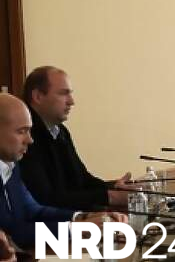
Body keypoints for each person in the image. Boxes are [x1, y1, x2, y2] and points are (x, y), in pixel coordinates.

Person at [0, 93, 123, 248]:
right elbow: (14, 233)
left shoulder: (10, 166)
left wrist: (83, 217)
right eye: (21, 131)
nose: (30, 140)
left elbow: (34, 211)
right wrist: (76, 228)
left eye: (29, 131)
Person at [18, 66, 134, 210]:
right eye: (63, 93)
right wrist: (111, 197)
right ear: (38, 96)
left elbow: (82, 180)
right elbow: (46, 198)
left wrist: (114, 187)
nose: (71, 101)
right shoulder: (24, 137)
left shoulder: (60, 131)